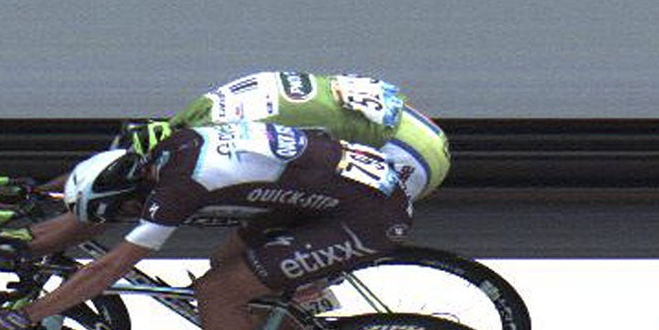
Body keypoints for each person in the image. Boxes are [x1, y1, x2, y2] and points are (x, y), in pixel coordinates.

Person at [0, 121, 414, 330]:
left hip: (367, 214)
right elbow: (94, 182)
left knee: (219, 292)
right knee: (228, 262)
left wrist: (31, 313)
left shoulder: (178, 192)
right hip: (335, 188)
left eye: (123, 213)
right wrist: (35, 191)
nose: (127, 217)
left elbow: (108, 269)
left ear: (131, 198)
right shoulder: (163, 153)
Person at [115, 71, 451, 201]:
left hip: (407, 154)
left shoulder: (218, 141)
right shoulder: (201, 111)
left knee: (264, 257)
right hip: (415, 127)